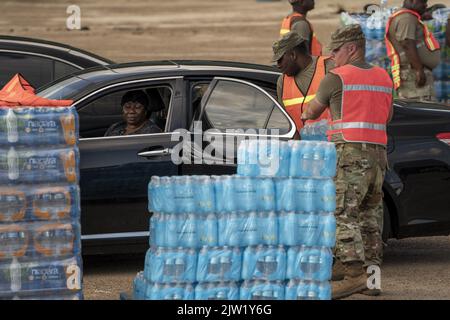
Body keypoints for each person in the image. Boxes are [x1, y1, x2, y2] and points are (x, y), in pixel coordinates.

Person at [301, 24, 394, 299]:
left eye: (337, 50)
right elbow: (387, 118)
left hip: (351, 155)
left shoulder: (336, 77)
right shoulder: (384, 77)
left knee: (343, 215)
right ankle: (372, 279)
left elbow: (313, 110)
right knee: (370, 217)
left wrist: (308, 115)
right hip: (379, 157)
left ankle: (353, 276)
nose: (332, 56)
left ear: (351, 49)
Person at [272, 31, 334, 135]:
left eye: (280, 60)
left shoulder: (329, 67)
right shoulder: (282, 83)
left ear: (293, 55)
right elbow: (288, 124)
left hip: (331, 147)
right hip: (303, 148)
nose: (278, 65)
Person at [385, 0, 441, 101]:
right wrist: (419, 70)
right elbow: (407, 43)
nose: (425, 5)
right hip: (413, 73)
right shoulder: (406, 17)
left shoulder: (408, 17)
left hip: (413, 71)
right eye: (423, 2)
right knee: (422, 111)